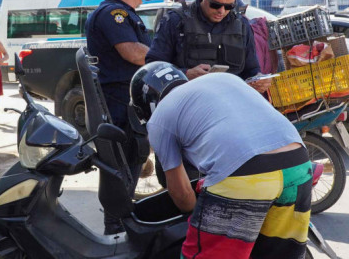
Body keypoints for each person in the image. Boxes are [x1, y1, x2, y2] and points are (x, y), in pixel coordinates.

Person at [131, 62, 312, 259]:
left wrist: (199, 214)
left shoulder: (159, 118)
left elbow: (180, 193)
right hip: (298, 164)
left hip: (245, 175)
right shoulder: (226, 79)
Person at [84, 0, 152, 234]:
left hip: (124, 99)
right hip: (119, 100)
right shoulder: (114, 13)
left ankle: (121, 221)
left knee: (130, 161)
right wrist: (161, 56)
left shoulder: (117, 12)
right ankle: (115, 227)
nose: (140, 3)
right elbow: (133, 53)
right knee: (123, 162)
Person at [146, 0, 272, 93]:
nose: (221, 11)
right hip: (189, 102)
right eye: (215, 4)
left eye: (229, 6)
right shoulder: (175, 22)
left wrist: (258, 80)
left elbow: (251, 69)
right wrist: (185, 74)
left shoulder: (242, 26)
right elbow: (153, 68)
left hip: (231, 103)